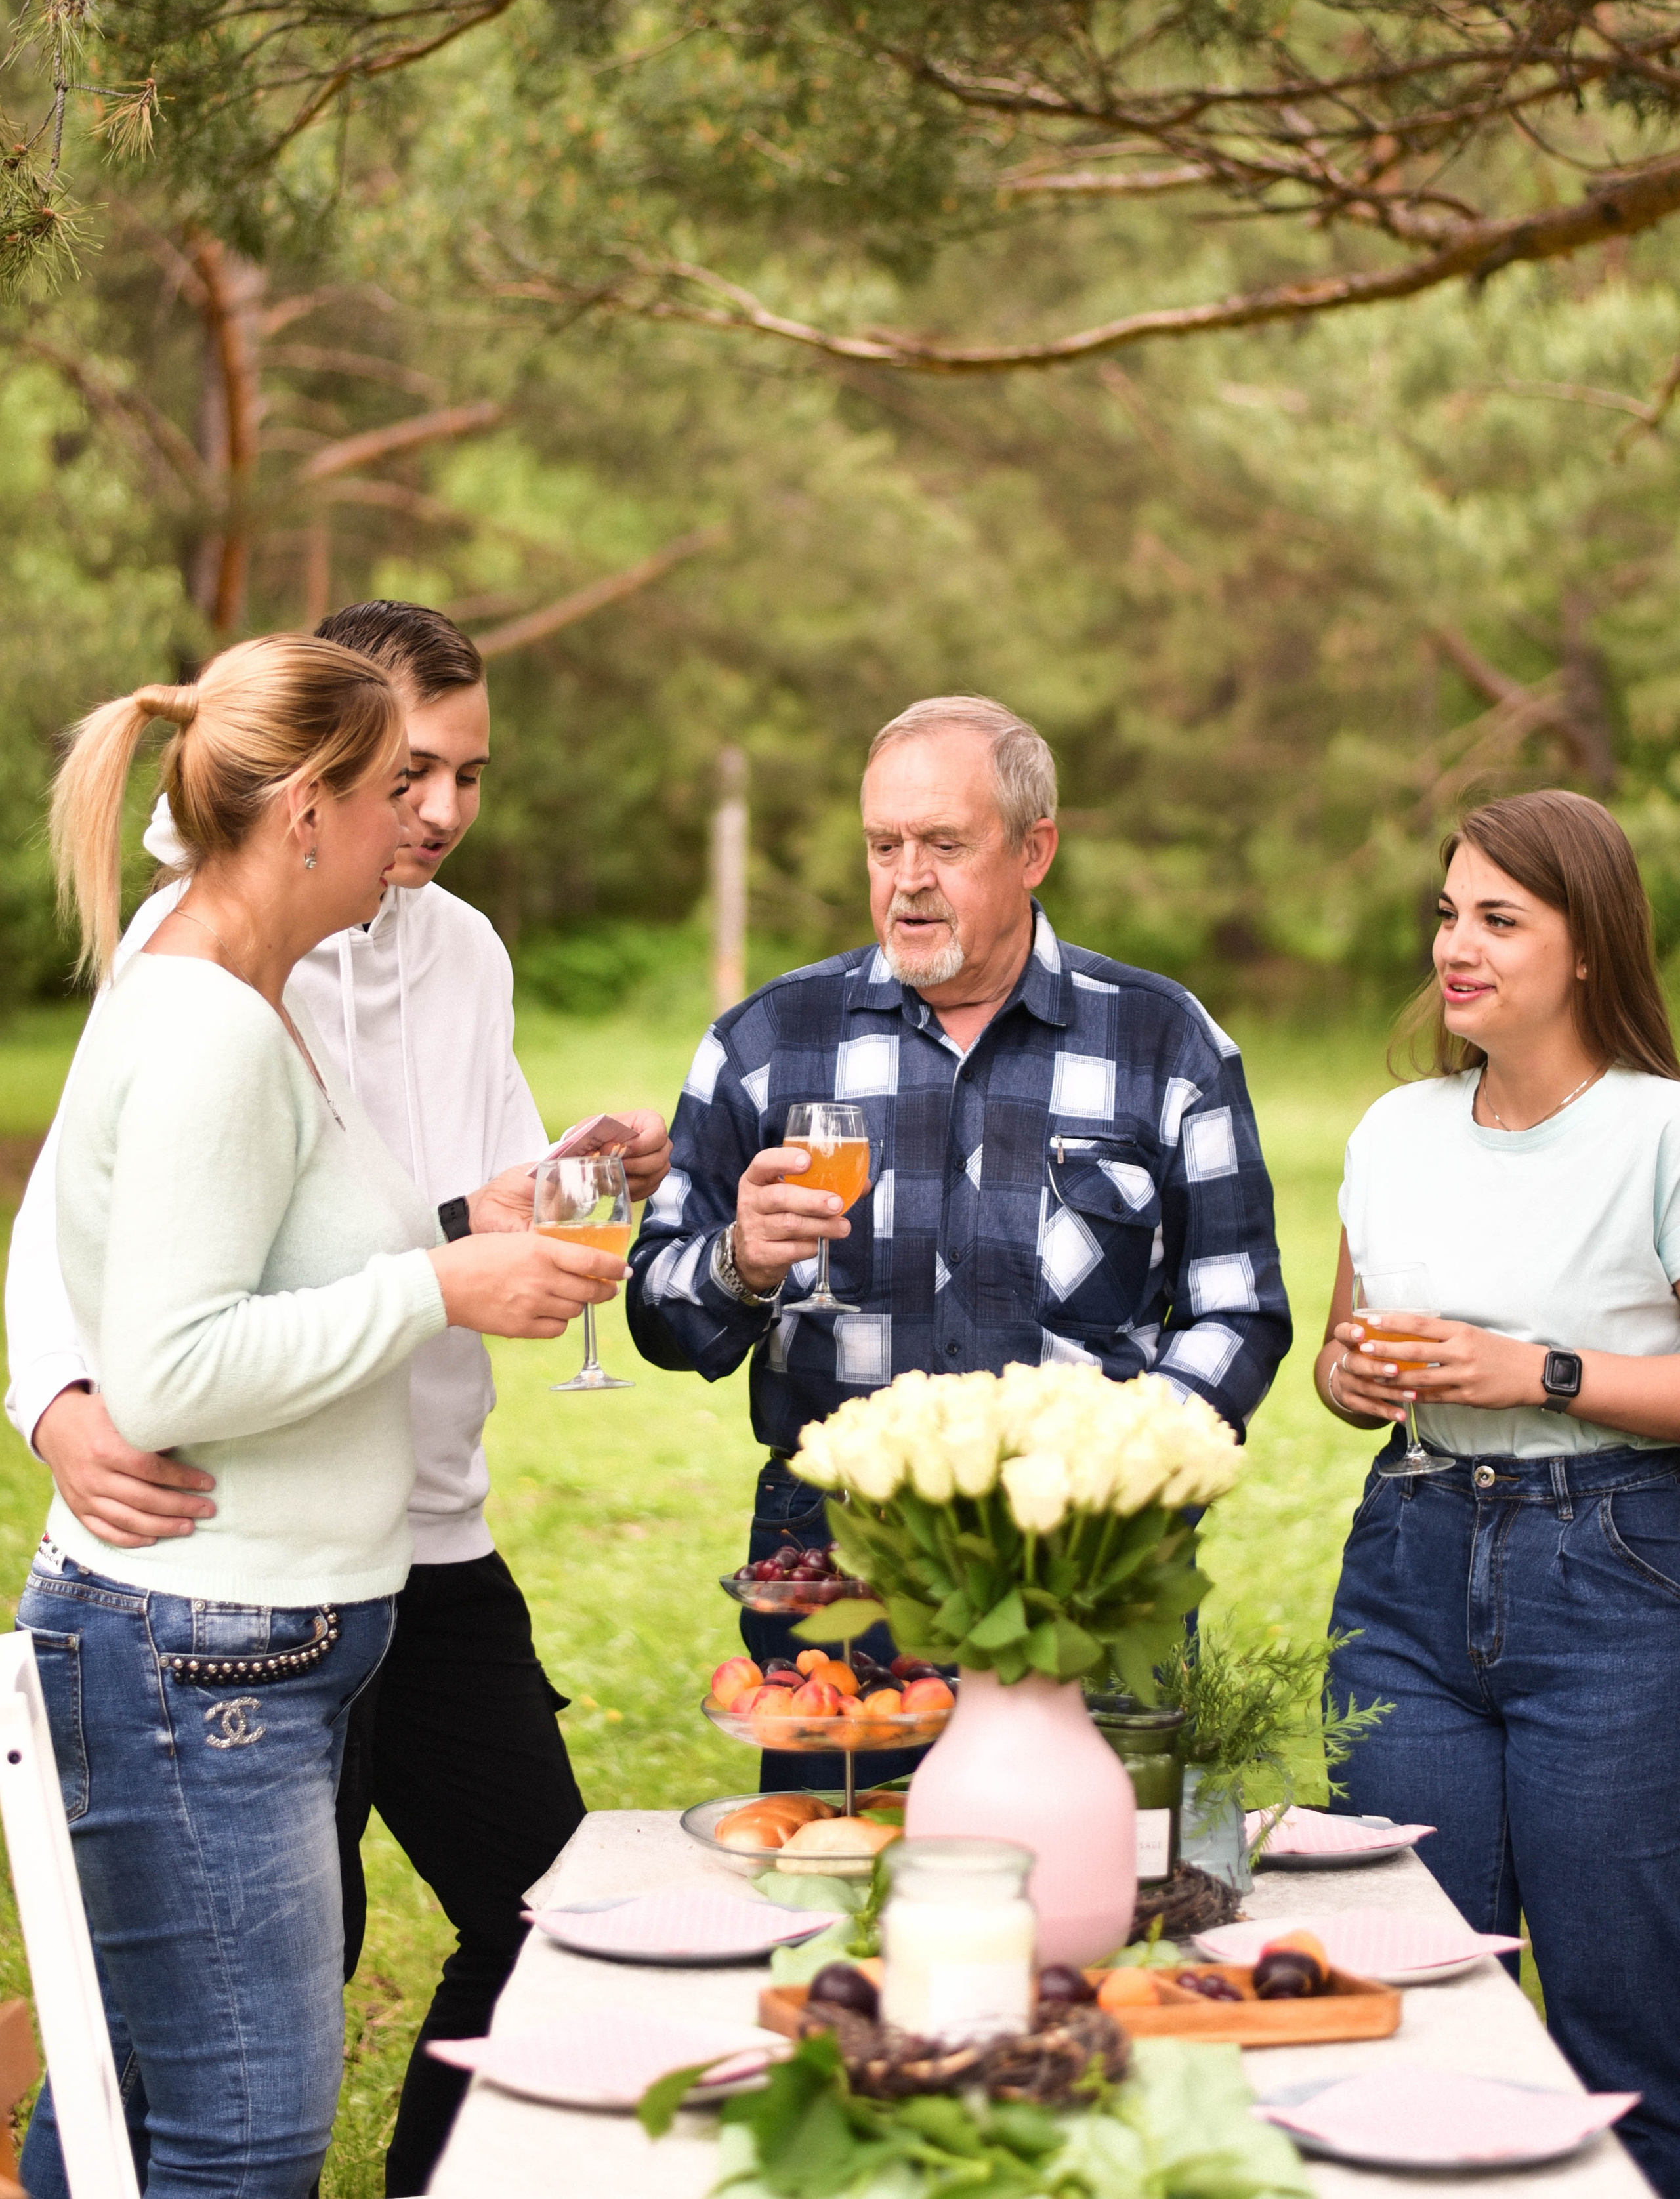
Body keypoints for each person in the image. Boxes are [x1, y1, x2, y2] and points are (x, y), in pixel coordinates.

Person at [6, 602, 671, 2197]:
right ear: (313, 798)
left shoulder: (359, 967)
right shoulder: (211, 993)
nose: (430, 817)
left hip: (371, 1564)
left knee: (227, 2058)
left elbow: (366, 1222)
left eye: (465, 778)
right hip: (220, 1602)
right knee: (218, 2093)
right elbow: (128, 1289)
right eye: (401, 779)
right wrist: (62, 1404)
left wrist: (532, 1201)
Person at [627, 695, 1290, 1779]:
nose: (907, 879)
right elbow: (659, 1317)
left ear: (1035, 851)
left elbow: (1239, 1313)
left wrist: (1115, 1481)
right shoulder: (767, 1041)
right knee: (845, 1862)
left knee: (1090, 1869)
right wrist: (739, 1262)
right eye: (883, 846)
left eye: (944, 845)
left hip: (1085, 1562)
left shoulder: (1165, 1042)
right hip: (838, 1557)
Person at [1316, 789, 1680, 2199]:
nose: (1453, 946)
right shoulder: (1394, 1131)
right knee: (1415, 1996)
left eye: (1497, 920)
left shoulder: (1658, 1131)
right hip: (1406, 1569)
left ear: (1586, 945)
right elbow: (1341, 1359)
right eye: (1446, 912)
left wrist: (1537, 1371)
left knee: (1620, 2026)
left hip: (1614, 1580)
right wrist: (1352, 1376)